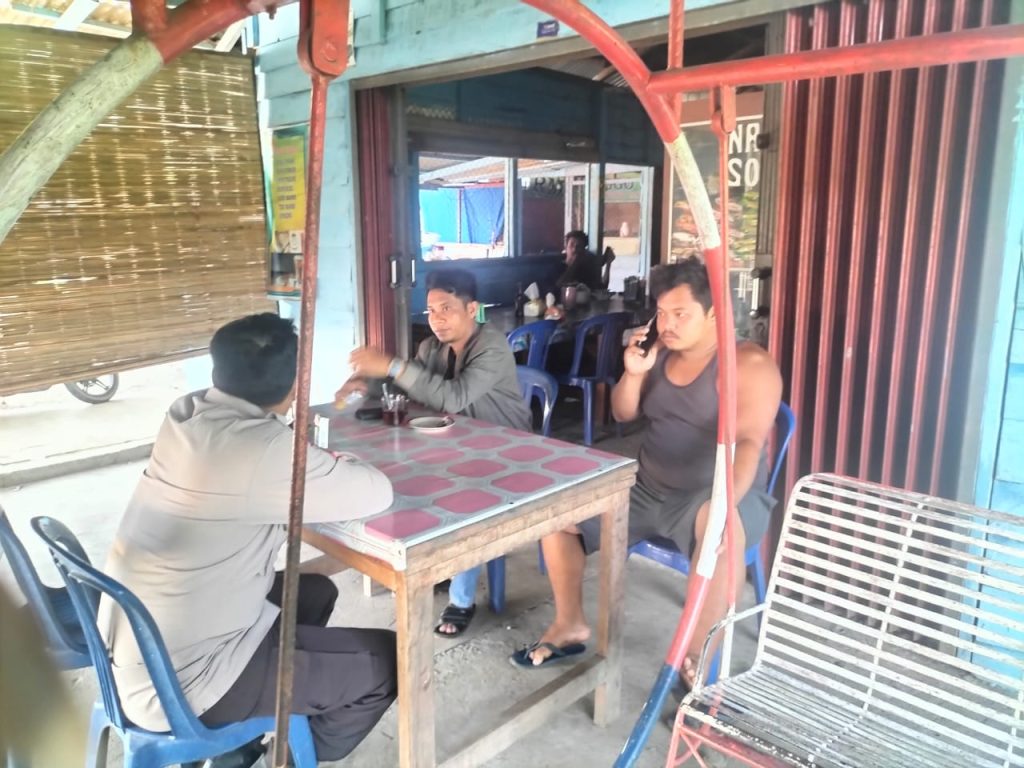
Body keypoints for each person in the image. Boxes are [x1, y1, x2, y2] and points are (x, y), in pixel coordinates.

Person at [99, 313, 397, 766]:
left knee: (314, 592)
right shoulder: (266, 451)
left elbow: (262, 459)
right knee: (384, 661)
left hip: (144, 647)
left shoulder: (186, 413)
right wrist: (338, 460)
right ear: (295, 383)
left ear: (218, 371)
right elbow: (376, 491)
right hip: (186, 683)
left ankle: (243, 745)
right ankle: (293, 754)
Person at [511, 258, 782, 683]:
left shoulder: (748, 364)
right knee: (560, 510)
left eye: (681, 314)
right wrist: (634, 372)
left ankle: (696, 656)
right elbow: (623, 413)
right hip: (647, 485)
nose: (667, 324)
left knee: (721, 535)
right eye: (662, 312)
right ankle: (569, 624)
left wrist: (726, 504)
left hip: (716, 490)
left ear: (715, 314)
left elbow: (748, 443)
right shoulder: (659, 355)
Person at [341, 268, 531, 637]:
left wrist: (392, 364)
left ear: (472, 309)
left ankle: (461, 599)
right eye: (431, 311)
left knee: (469, 500)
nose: (437, 319)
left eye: (447, 309)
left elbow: (452, 398)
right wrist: (367, 382)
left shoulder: (491, 346)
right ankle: (439, 558)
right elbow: (410, 389)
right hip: (458, 444)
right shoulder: (431, 348)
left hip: (509, 450)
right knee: (406, 476)